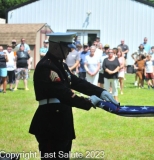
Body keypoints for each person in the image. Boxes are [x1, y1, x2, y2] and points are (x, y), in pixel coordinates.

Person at [29, 32, 118, 160]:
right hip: (50, 122)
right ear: (55, 46)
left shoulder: (61, 65)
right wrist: (89, 102)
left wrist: (100, 92)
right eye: (66, 47)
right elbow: (64, 94)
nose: (69, 51)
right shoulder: (46, 66)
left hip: (62, 120)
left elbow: (78, 83)